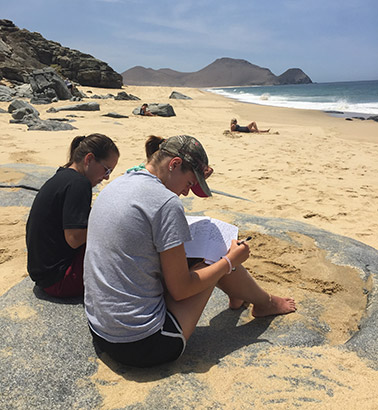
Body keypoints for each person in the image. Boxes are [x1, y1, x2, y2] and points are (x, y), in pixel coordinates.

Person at [84, 135, 295, 367]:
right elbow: (181, 290)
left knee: (200, 251)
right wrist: (229, 262)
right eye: (189, 183)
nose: (186, 193)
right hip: (142, 343)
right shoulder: (165, 203)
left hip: (101, 330)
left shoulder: (119, 182)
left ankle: (239, 293)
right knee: (217, 254)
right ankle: (265, 302)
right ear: (174, 165)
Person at [26, 133, 120, 298]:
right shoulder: (79, 183)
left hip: (44, 274)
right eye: (106, 170)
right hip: (59, 280)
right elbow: (74, 238)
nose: (106, 177)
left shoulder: (63, 175)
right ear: (89, 159)